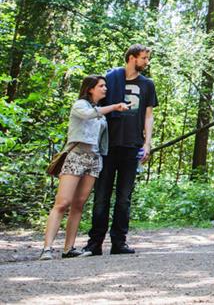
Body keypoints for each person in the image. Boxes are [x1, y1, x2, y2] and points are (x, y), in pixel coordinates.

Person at [40, 76, 129, 260]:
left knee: (78, 204)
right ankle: (47, 248)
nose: (105, 89)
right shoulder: (80, 105)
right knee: (62, 203)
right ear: (90, 89)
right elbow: (89, 115)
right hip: (76, 156)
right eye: (101, 86)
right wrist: (114, 107)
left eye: (105, 86)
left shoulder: (100, 112)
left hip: (94, 160)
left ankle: (68, 248)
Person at [83, 44, 158, 256]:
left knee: (124, 197)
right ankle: (94, 243)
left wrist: (147, 143)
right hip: (107, 145)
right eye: (144, 58)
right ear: (132, 58)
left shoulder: (147, 84)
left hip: (132, 145)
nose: (146, 62)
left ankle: (119, 242)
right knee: (101, 196)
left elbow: (148, 115)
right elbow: (95, 107)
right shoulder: (110, 79)